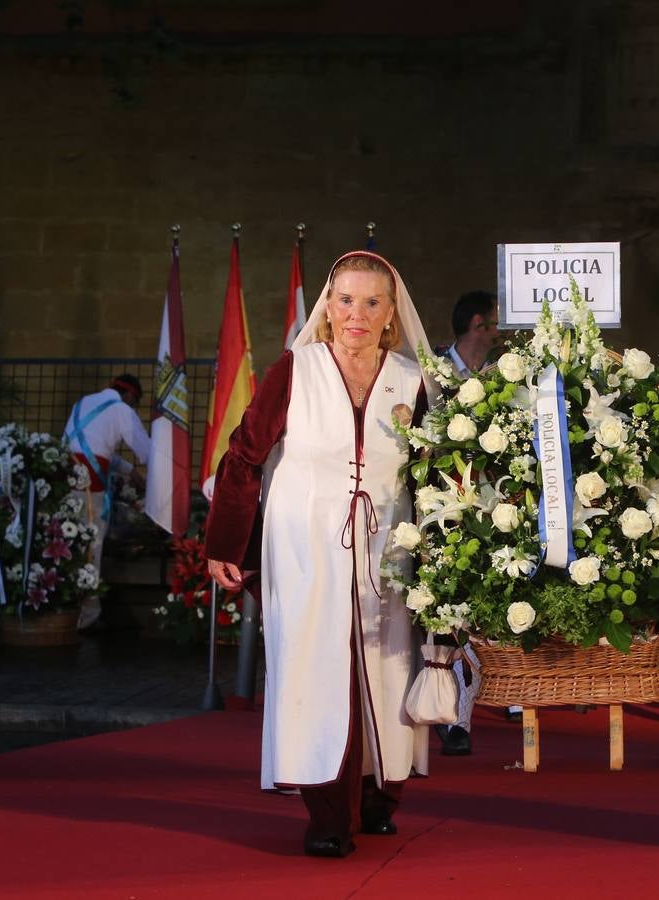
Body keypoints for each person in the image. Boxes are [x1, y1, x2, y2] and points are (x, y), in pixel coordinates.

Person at [204, 250, 435, 859]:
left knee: (387, 666)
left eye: (371, 303)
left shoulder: (410, 380)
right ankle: (328, 812)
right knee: (318, 666)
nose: (355, 314)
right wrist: (224, 542)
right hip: (305, 540)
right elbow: (244, 455)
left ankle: (381, 795)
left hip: (390, 543)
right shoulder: (295, 370)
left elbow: (435, 477)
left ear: (390, 314)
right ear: (326, 309)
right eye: (344, 300)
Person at [431, 288, 515, 756]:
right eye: (494, 324)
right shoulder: (437, 373)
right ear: (478, 326)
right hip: (448, 504)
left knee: (490, 606)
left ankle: (501, 694)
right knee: (453, 611)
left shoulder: (505, 374)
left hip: (496, 504)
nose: (499, 332)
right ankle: (454, 714)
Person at [63, 373, 151, 630]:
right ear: (131, 396)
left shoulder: (83, 403)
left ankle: (66, 609)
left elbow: (89, 447)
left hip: (65, 482)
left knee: (67, 546)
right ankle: (86, 617)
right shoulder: (122, 410)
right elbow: (146, 452)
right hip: (90, 488)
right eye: (135, 405)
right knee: (91, 549)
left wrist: (128, 470)